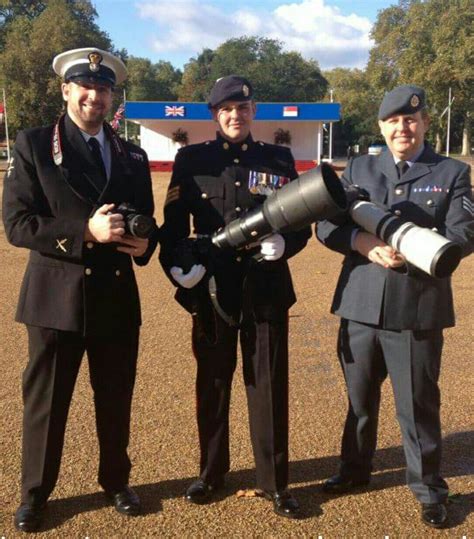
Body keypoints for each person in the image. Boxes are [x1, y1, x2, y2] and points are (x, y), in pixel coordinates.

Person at [2, 47, 158, 532]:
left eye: (104, 88)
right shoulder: (31, 145)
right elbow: (17, 224)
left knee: (115, 397)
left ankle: (116, 482)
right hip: (55, 299)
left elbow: (145, 222)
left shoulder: (132, 154)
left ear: (113, 95)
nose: (95, 96)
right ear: (66, 90)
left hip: (114, 296)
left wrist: (142, 243)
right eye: (86, 87)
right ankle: (35, 494)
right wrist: (86, 232)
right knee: (46, 403)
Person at [316, 85, 473, 528]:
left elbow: (466, 230)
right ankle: (355, 471)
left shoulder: (452, 171)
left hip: (418, 305)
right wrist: (362, 242)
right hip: (361, 302)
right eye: (393, 121)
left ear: (424, 124)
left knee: (417, 403)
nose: (402, 127)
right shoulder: (359, 169)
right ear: (382, 127)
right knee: (359, 399)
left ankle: (429, 490)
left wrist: (428, 248)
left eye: (411, 120)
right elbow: (326, 226)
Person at [159, 75, 311, 518]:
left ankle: (274, 481)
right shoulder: (191, 160)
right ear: (214, 115)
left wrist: (288, 244)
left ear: (253, 111)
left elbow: (300, 218)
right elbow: (172, 228)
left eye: (242, 108)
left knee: (268, 384)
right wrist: (176, 269)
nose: (235, 115)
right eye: (226, 109)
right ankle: (210, 473)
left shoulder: (278, 158)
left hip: (266, 286)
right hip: (211, 287)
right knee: (213, 381)